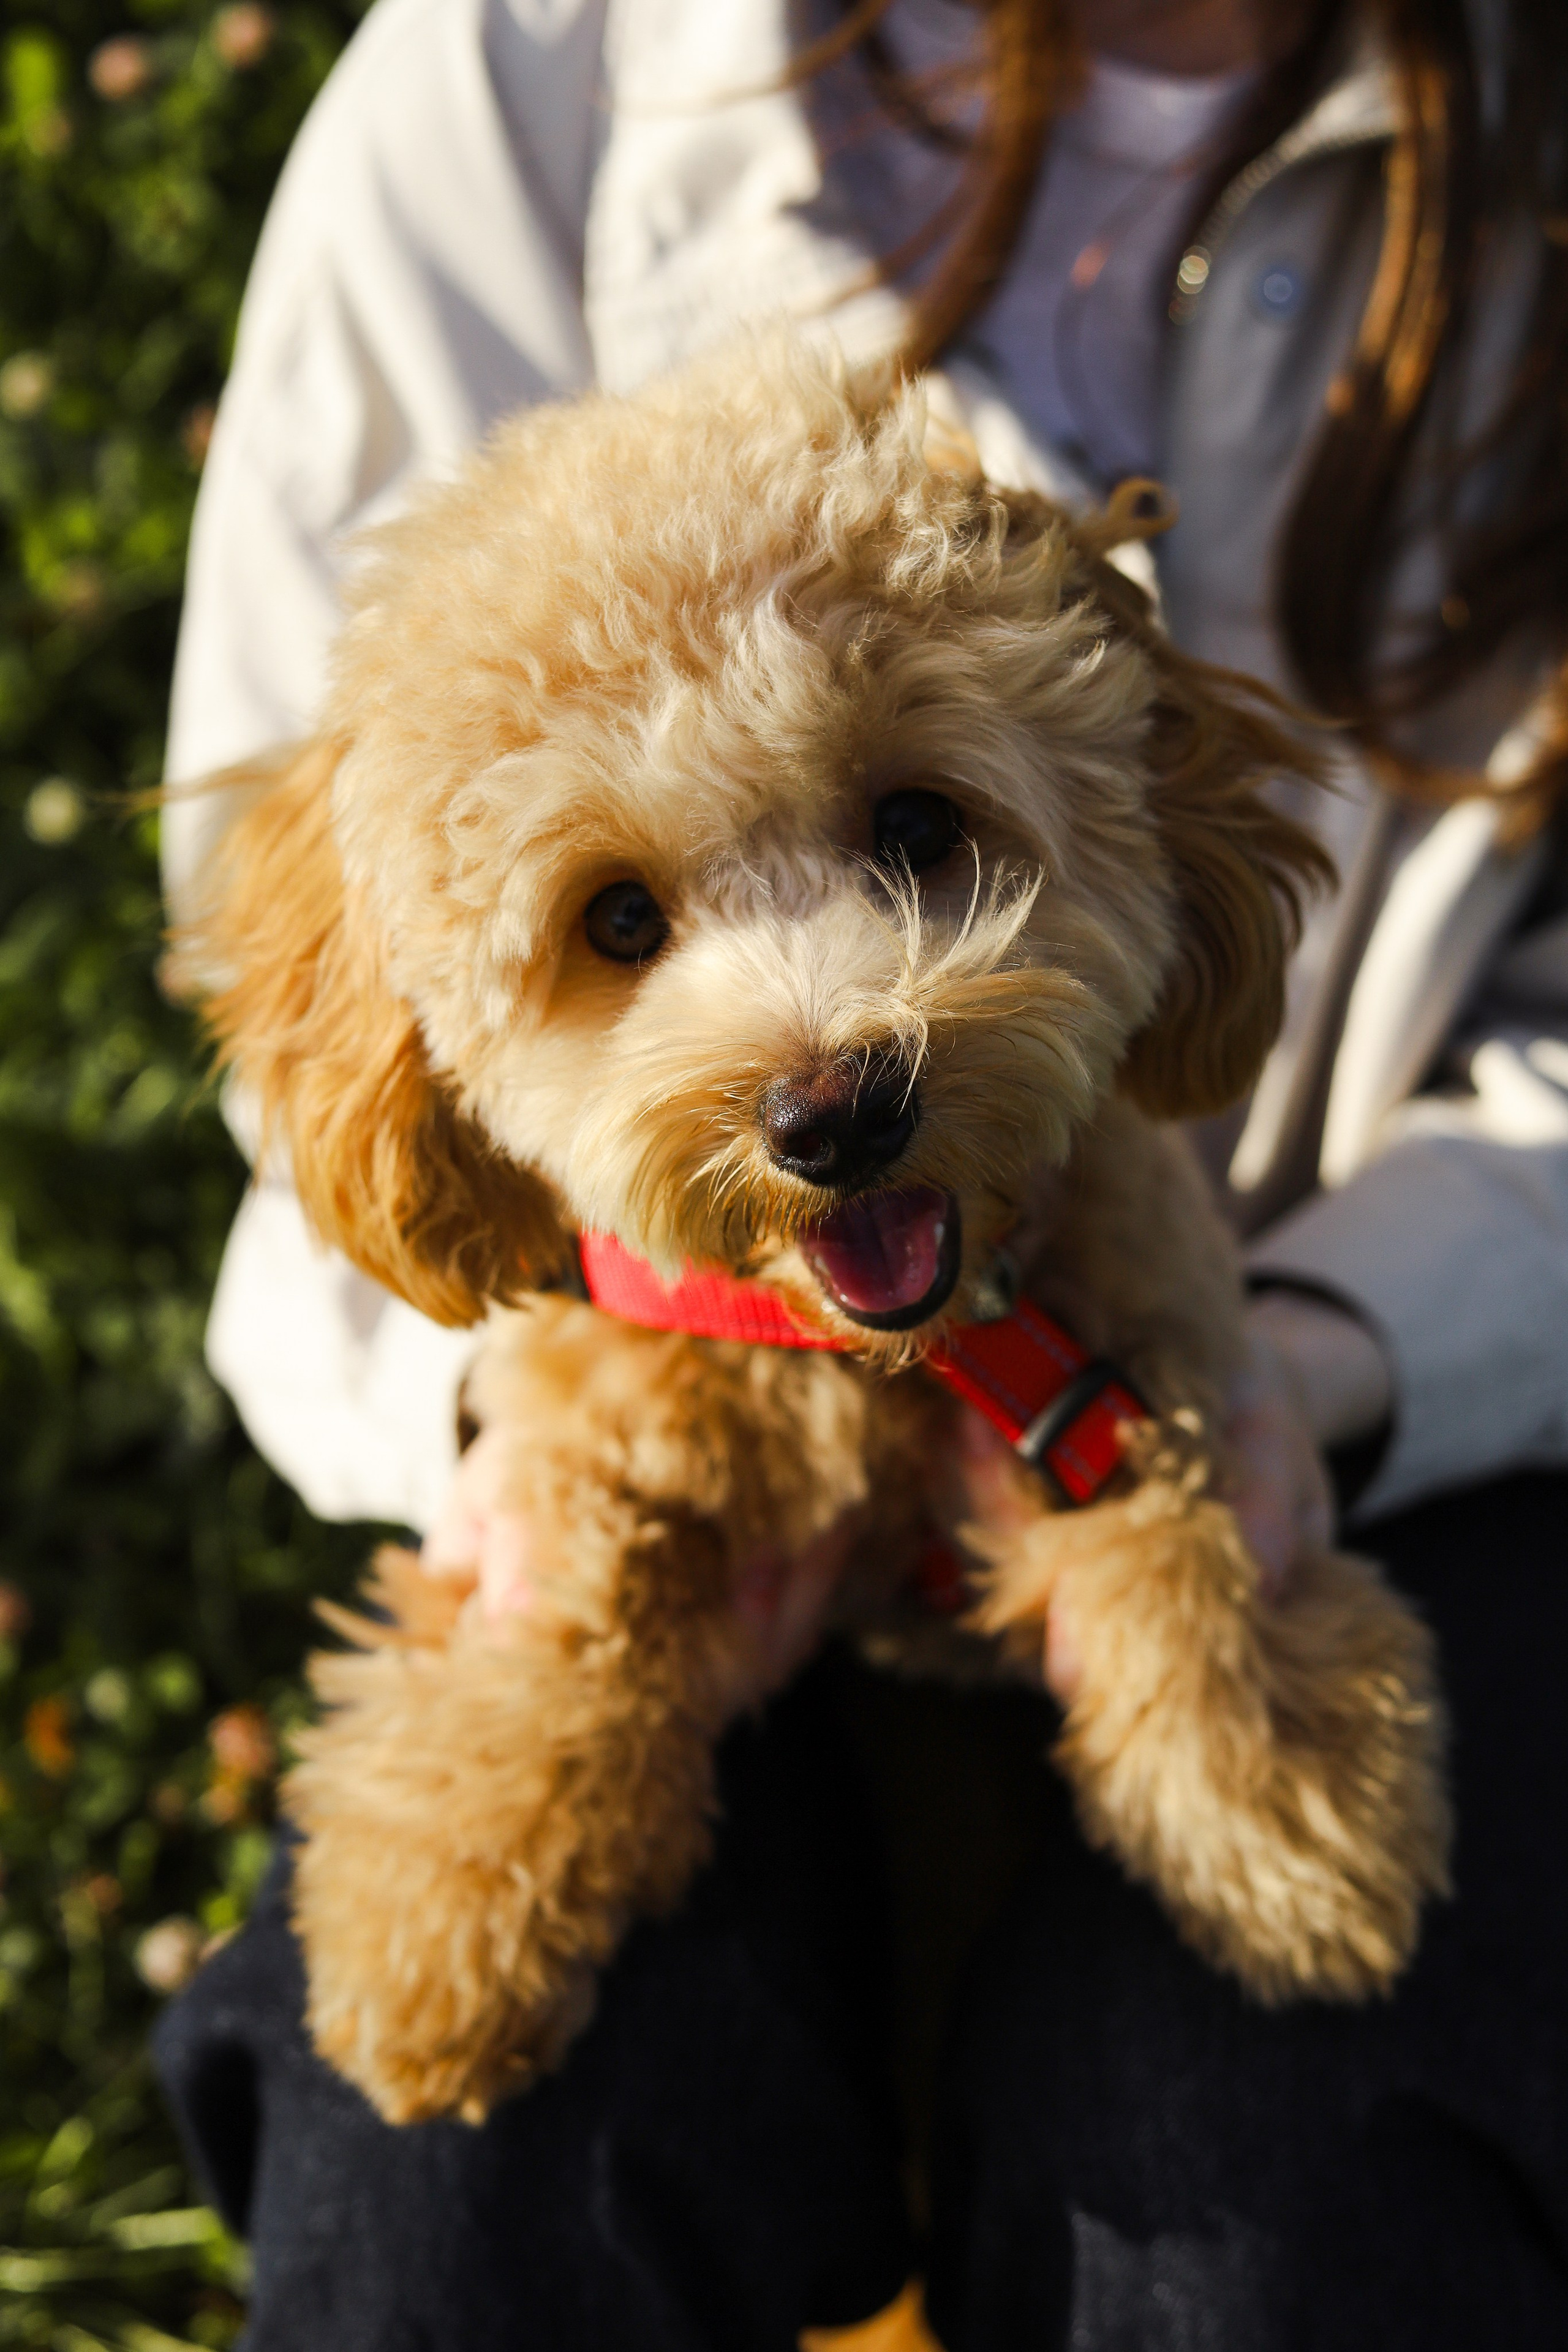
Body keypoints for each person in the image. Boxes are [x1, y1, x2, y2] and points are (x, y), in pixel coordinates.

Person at [155, 1, 1568, 2344]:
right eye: (637, 923)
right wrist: (519, 1449)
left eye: (915, 839)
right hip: (642, 1385)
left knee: (1254, 2163)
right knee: (464, 2172)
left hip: (1436, 1379)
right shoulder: (524, 69)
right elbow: (293, 943)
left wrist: (1316, 1367)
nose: (823, 1044)